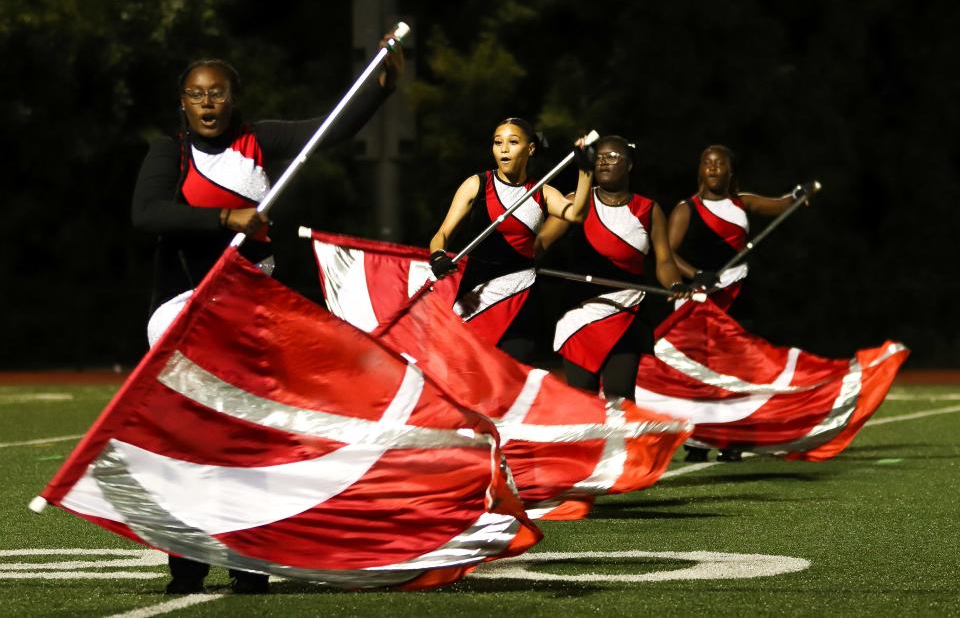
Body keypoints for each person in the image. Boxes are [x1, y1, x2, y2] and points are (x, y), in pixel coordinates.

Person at [131, 35, 404, 594]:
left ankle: (249, 559)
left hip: (250, 307)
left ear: (234, 100)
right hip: (183, 308)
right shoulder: (169, 151)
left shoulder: (261, 139)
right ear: (182, 103)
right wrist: (227, 217)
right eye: (196, 95)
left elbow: (331, 129)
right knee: (193, 438)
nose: (207, 104)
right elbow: (148, 214)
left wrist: (383, 84)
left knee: (245, 436)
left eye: (218, 94)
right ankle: (186, 562)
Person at [667, 144, 812, 462]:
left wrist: (797, 195)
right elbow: (667, 253)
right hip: (701, 297)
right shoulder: (686, 209)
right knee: (701, 373)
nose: (714, 167)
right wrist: (696, 274)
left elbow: (780, 205)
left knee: (735, 371)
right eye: (708, 162)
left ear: (731, 171)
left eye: (721, 163)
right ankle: (698, 440)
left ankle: (732, 437)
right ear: (700, 169)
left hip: (738, 295)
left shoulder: (742, 203)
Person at [427, 118, 594, 362]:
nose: (503, 149)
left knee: (512, 381)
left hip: (521, 300)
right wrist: (438, 255)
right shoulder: (477, 185)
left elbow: (577, 214)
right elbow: (440, 235)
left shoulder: (543, 192)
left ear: (530, 149)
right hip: (474, 299)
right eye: (498, 142)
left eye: (513, 142)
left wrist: (585, 171)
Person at [537, 135, 689, 401]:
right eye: (600, 158)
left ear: (629, 164)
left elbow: (664, 261)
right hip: (580, 314)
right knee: (581, 399)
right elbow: (541, 241)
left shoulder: (648, 209)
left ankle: (620, 444)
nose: (604, 162)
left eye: (613, 157)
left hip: (626, 312)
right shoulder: (577, 201)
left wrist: (675, 285)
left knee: (620, 397)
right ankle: (585, 444)